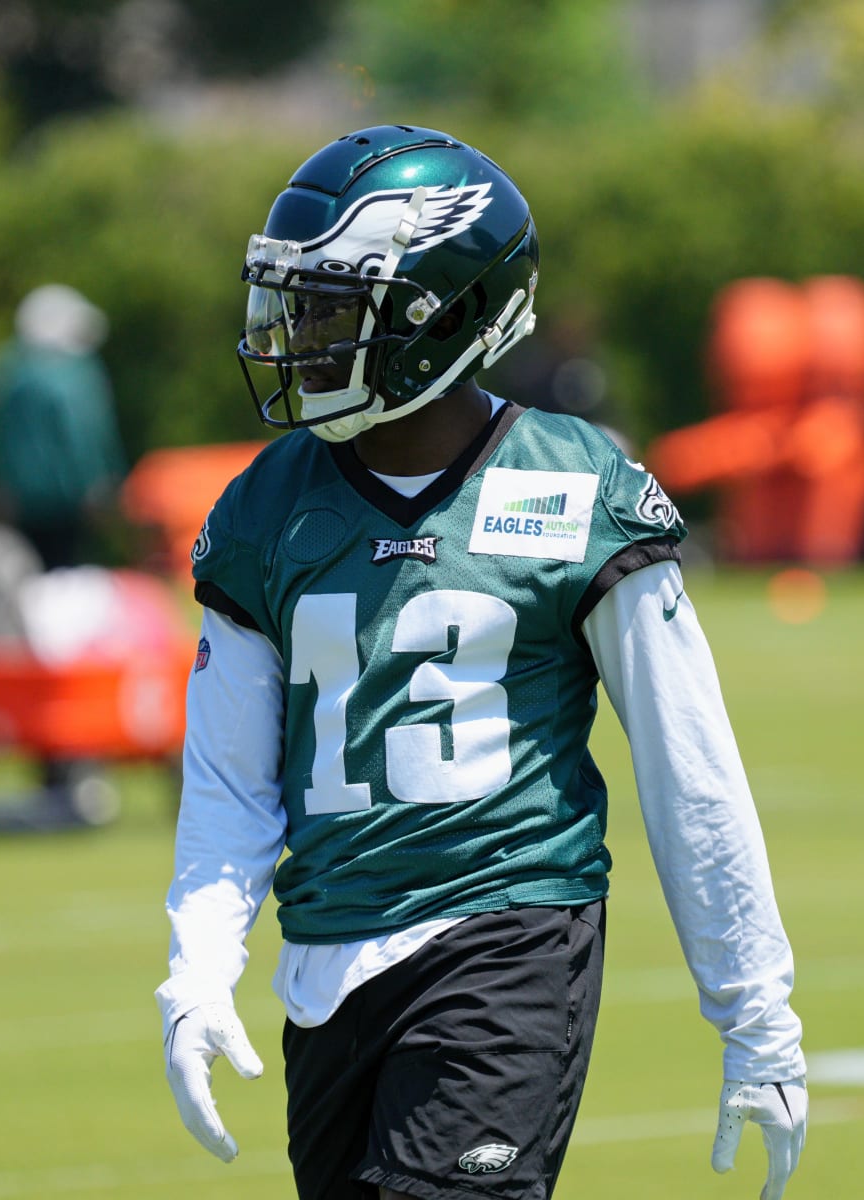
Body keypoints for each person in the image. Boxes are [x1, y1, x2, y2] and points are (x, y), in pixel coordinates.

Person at [155, 126, 806, 1200]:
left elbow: (689, 764)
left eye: (329, 311)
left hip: (506, 940)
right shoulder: (266, 507)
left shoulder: (575, 487)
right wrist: (200, 967)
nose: (297, 339)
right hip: (325, 968)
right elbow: (229, 780)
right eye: (294, 305)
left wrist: (756, 1011)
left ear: (435, 314)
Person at [0, 284, 128, 569]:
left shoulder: (7, 370)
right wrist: (100, 484)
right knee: (67, 572)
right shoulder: (77, 373)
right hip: (67, 498)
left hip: (16, 500)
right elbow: (85, 435)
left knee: (29, 571)